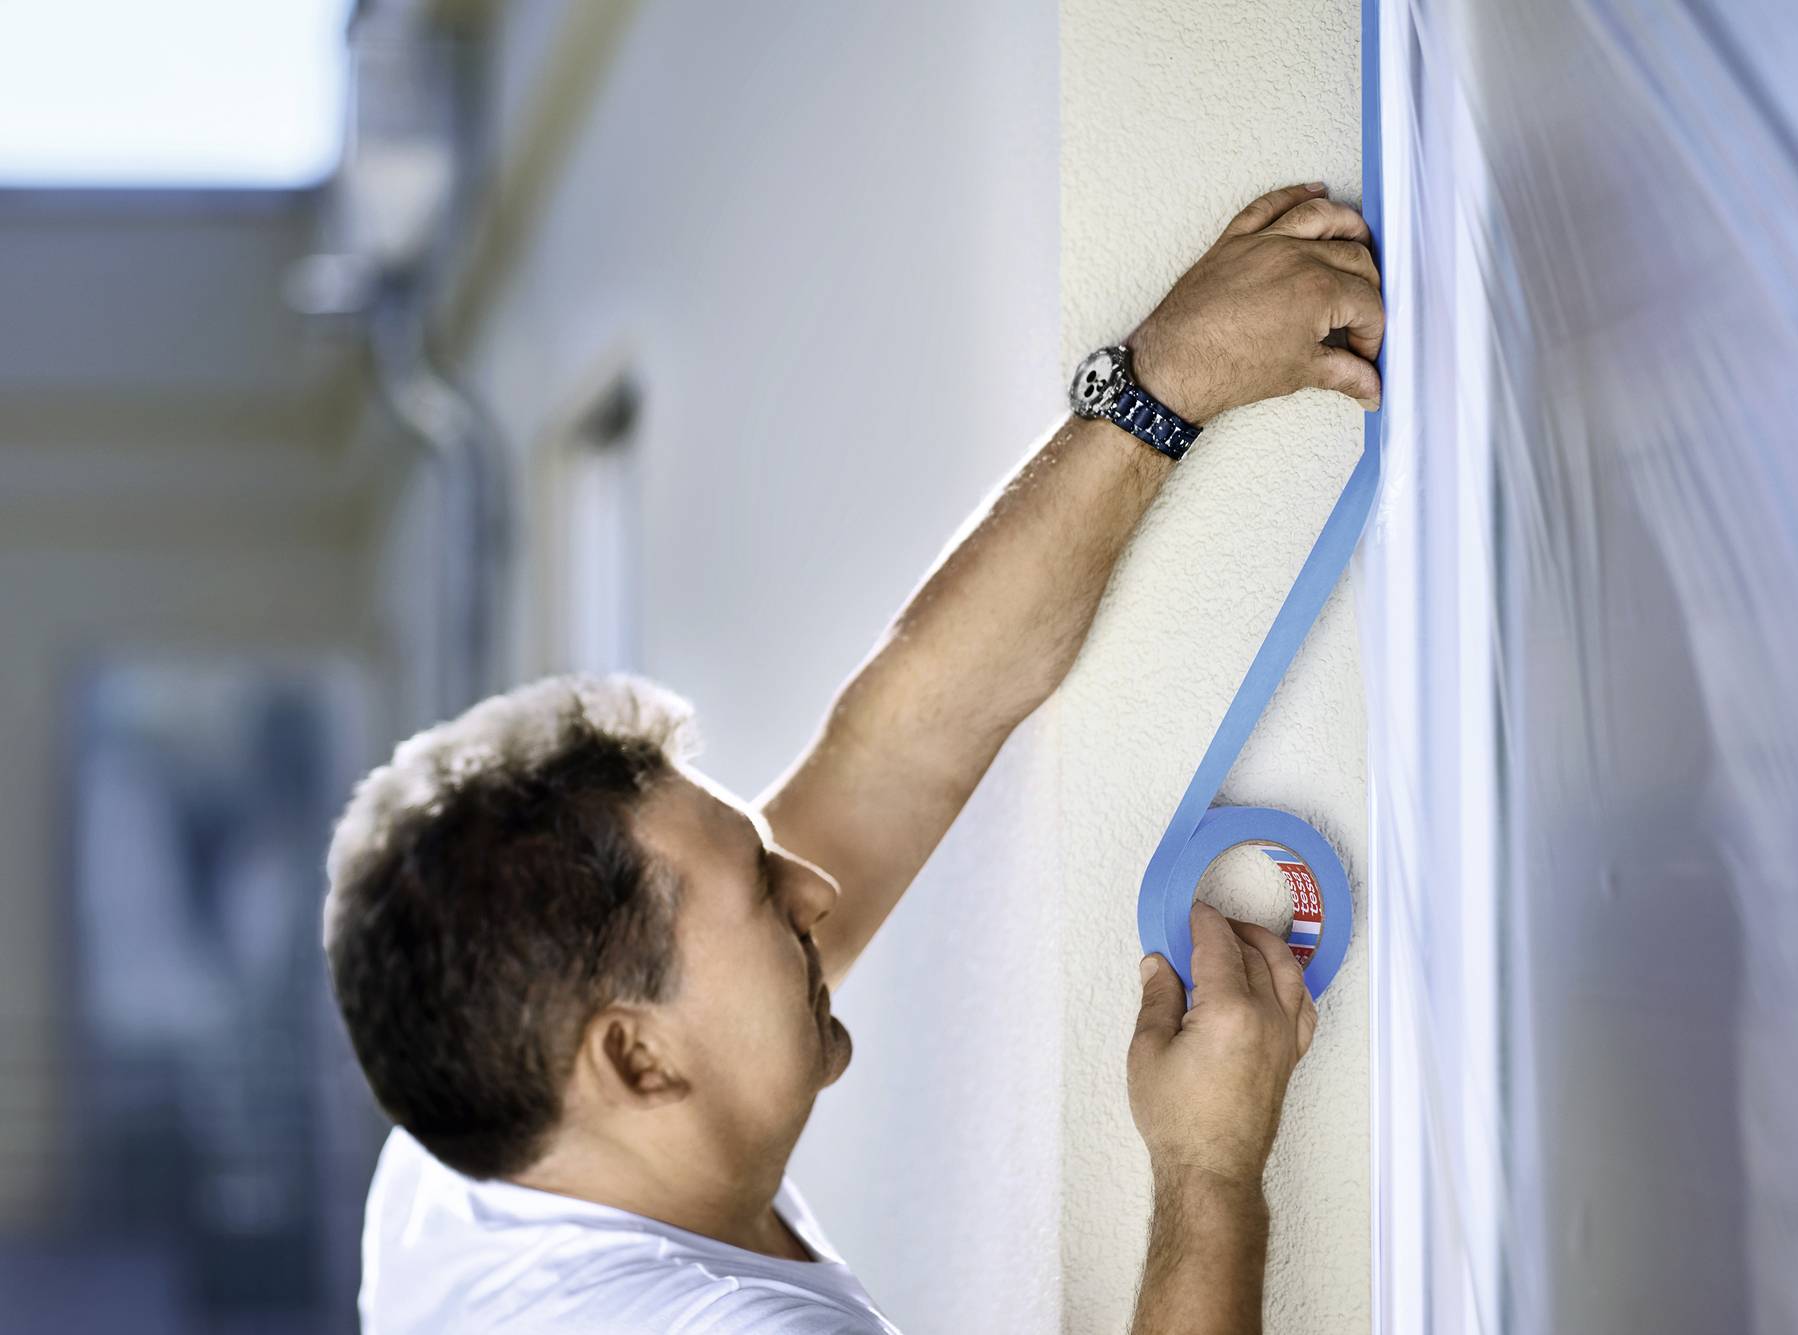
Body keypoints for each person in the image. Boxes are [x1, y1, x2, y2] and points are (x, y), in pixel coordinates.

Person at [323, 181, 1384, 1334]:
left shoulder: (485, 1137)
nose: (817, 887)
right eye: (764, 900)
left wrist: (1161, 381)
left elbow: (900, 744)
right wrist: (1210, 1169)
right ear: (634, 1058)